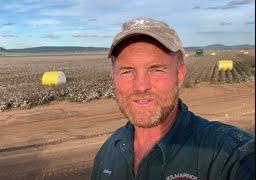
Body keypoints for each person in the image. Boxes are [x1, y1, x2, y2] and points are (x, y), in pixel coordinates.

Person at [91, 17, 255, 180]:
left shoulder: (229, 154)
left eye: (156, 69)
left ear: (180, 74)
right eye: (127, 71)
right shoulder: (108, 153)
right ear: (113, 76)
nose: (140, 86)